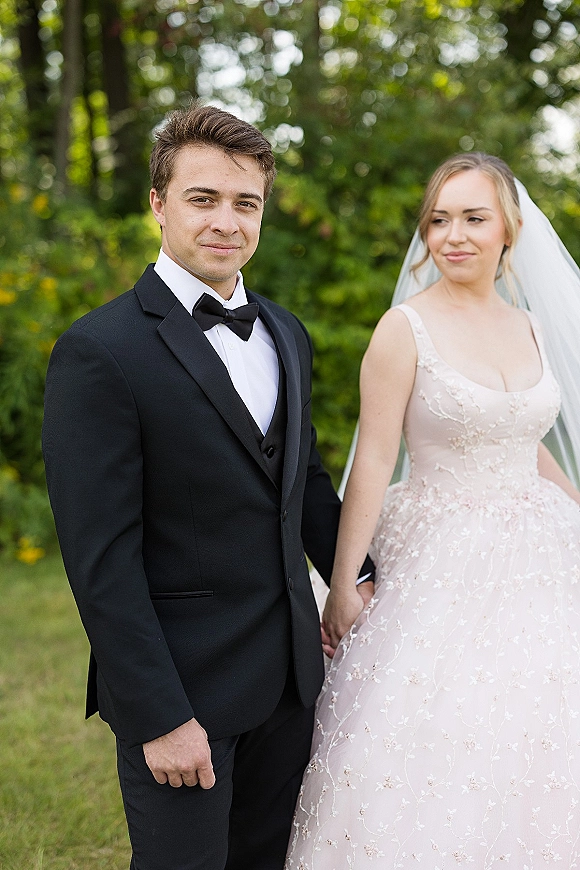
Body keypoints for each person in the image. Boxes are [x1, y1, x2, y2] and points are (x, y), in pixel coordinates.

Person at [42, 102, 374, 870]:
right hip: (183, 692)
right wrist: (159, 716)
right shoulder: (98, 351)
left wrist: (357, 572)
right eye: (203, 199)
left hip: (288, 680)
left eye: (245, 203)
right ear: (158, 204)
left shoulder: (286, 332)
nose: (227, 221)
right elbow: (101, 561)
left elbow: (303, 481)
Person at [285, 152, 580, 868]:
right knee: (441, 720)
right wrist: (344, 583)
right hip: (441, 551)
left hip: (543, 550)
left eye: (474, 218)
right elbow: (374, 460)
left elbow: (524, 438)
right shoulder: (404, 328)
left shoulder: (532, 326)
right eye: (439, 219)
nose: (454, 235)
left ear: (508, 228)